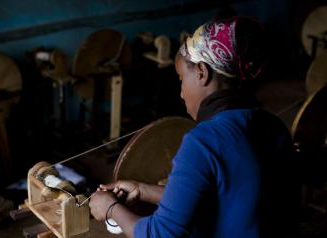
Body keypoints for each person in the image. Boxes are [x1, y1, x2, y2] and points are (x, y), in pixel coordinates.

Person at [89, 16, 298, 238]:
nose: (181, 93)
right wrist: (143, 191)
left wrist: (110, 209)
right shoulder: (273, 125)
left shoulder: (204, 140)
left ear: (201, 72)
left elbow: (160, 234)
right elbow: (223, 196)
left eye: (181, 79)